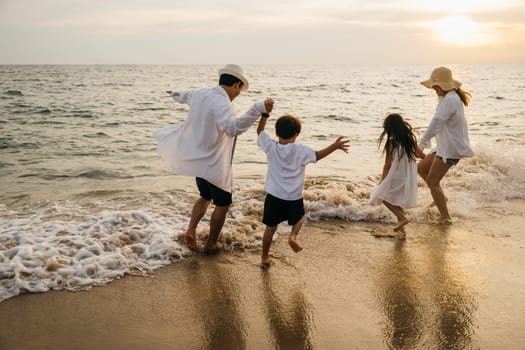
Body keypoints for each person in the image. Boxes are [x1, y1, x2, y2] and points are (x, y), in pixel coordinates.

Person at [154, 64, 274, 252]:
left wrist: (172, 93)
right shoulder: (223, 103)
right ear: (236, 85)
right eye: (240, 90)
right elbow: (232, 128)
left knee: (204, 197)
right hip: (215, 164)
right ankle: (211, 244)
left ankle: (191, 230)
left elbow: (182, 95)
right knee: (223, 204)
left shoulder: (200, 93)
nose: (238, 94)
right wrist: (256, 109)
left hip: (198, 162)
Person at [257, 113, 349, 268]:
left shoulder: (270, 146)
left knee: (270, 228)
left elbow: (260, 131)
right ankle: (293, 236)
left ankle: (264, 258)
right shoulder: (301, 150)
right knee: (299, 218)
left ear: (277, 133)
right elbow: (318, 156)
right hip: (293, 196)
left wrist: (265, 114)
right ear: (296, 134)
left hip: (274, 195)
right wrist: (335, 146)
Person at [417, 67, 474, 224]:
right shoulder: (449, 97)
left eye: (435, 87)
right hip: (444, 146)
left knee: (433, 182)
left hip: (451, 148)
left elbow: (436, 123)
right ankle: (441, 197)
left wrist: (421, 145)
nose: (434, 90)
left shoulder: (450, 100)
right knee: (420, 169)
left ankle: (445, 217)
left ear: (443, 85)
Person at [369, 113, 425, 239]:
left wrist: (382, 181)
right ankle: (402, 232)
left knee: (382, 196)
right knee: (398, 201)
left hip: (396, 176)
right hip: (408, 177)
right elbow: (421, 155)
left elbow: (387, 164)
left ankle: (402, 218)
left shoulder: (391, 143)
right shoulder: (410, 141)